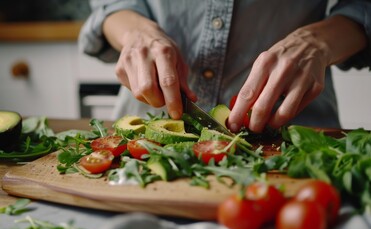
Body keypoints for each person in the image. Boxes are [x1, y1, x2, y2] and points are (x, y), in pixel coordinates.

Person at [79, 0, 371, 133]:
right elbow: (108, 6)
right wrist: (134, 32)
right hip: (146, 132)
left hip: (296, 131)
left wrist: (318, 42)